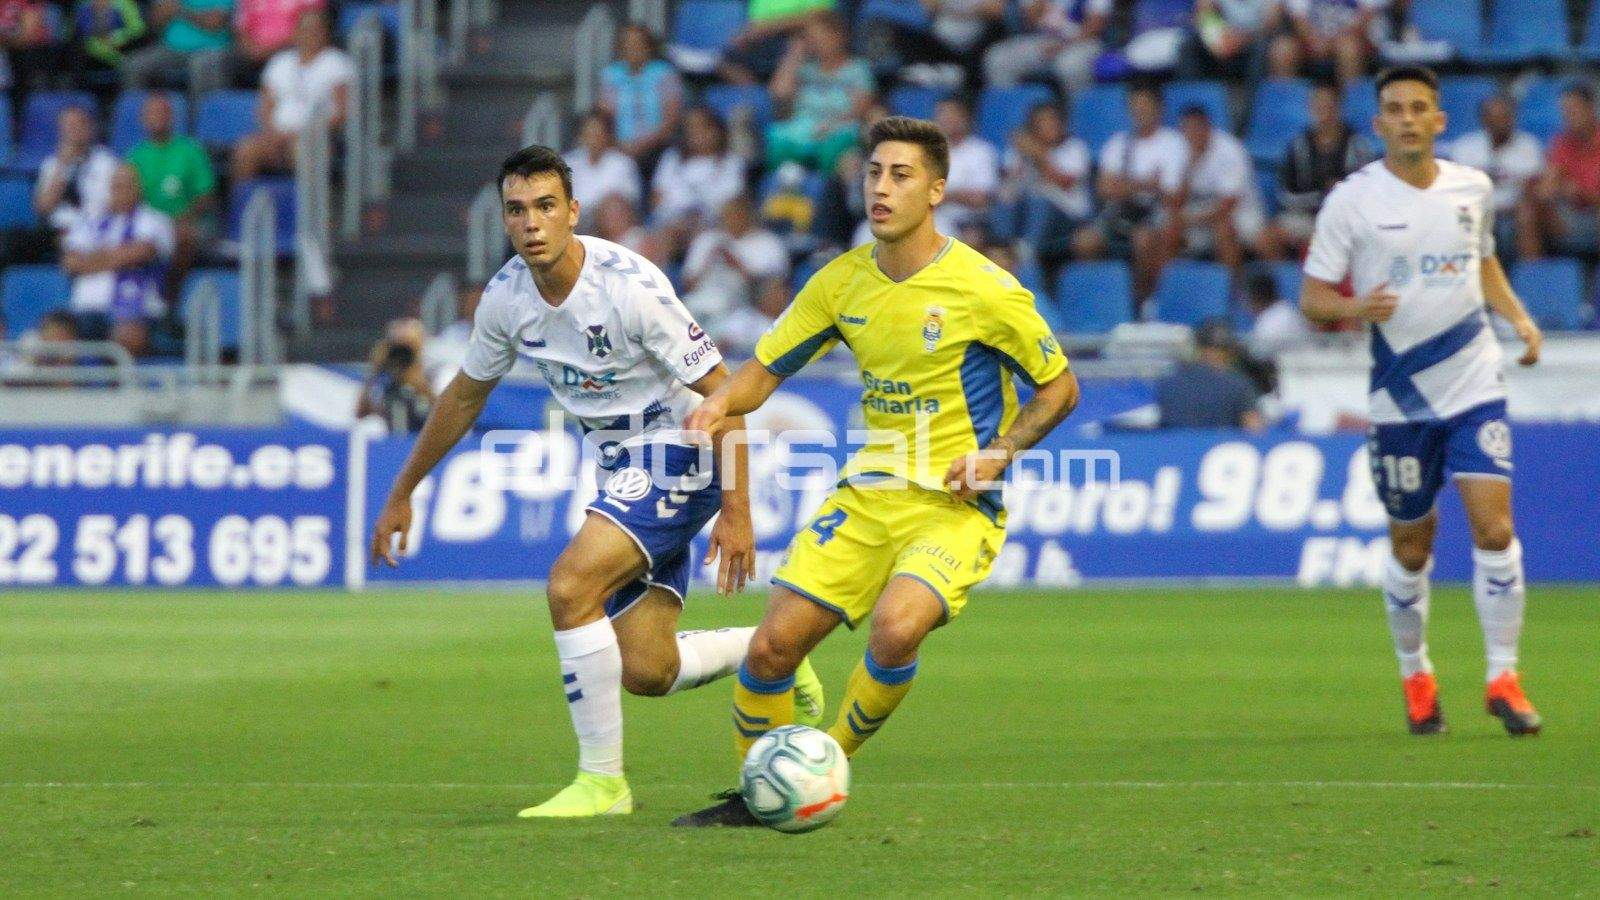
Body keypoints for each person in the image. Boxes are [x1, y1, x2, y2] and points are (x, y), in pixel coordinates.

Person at [369, 145, 824, 819]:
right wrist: (403, 489)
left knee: (569, 585)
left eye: (546, 207)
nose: (532, 223)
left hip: (683, 446)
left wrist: (738, 510)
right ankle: (776, 651)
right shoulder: (507, 300)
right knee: (647, 668)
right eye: (517, 210)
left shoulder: (628, 287)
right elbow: (463, 396)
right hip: (621, 467)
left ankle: (603, 783)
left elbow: (723, 394)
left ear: (573, 212)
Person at [671, 116, 1080, 827]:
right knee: (769, 651)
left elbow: (1061, 388)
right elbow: (762, 374)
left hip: (955, 505)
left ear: (937, 190)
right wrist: (716, 407)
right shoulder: (841, 282)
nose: (882, 189)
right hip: (868, 496)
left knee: (896, 627)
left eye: (901, 175)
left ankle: (823, 762)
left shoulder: (985, 289)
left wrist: (1000, 452)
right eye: (873, 174)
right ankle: (756, 790)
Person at [1300, 66, 1545, 737]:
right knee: (1412, 546)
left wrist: (1518, 319)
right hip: (1400, 398)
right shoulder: (1352, 201)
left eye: (1420, 108)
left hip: (1475, 382)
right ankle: (1417, 674)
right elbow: (1313, 297)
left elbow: (1483, 259)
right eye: (1394, 109)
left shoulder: (1474, 188)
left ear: (1439, 119)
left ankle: (1504, 675)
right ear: (1378, 123)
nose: (1408, 119)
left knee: (1495, 529)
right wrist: (1354, 307)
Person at [1073, 84, 1186, 300]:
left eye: (1146, 105)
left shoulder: (1173, 143)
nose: (1140, 110)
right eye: (1135, 105)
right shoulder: (1118, 143)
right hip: (1119, 213)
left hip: (1155, 215)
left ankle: (1141, 300)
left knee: (1143, 240)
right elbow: (1103, 188)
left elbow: (1171, 195)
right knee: (1084, 241)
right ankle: (1104, 298)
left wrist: (1124, 186)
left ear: (1159, 108)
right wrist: (1144, 185)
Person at [61, 164, 176, 358]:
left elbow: (142, 252)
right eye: (116, 185)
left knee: (126, 335)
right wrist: (118, 256)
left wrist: (91, 260)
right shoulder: (90, 221)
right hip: (85, 311)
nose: (120, 191)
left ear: (139, 189)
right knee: (56, 335)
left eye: (126, 185)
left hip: (137, 313)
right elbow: (70, 262)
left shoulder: (155, 220)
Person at [230, 8, 351, 184]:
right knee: (246, 150)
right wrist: (273, 133)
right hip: (278, 135)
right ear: (295, 32)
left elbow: (342, 113)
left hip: (317, 137)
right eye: (304, 29)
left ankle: (304, 209)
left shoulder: (337, 62)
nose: (309, 34)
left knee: (300, 150)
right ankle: (241, 206)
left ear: (326, 33)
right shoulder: (280, 62)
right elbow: (265, 106)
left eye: (316, 29)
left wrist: (305, 133)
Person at [1162, 104, 1271, 275]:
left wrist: (1191, 219)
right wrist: (1188, 169)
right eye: (1188, 130)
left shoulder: (1230, 149)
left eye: (1198, 128)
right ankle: (1164, 293)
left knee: (1223, 229)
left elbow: (1228, 206)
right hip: (1197, 216)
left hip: (1241, 214)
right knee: (1168, 230)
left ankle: (1233, 292)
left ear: (1208, 127)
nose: (1194, 134)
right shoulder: (1178, 151)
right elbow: (1172, 202)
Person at [1269, 80, 1376, 255]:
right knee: (1270, 235)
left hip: (1346, 216)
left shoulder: (1357, 146)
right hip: (1306, 216)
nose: (1323, 110)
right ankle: (1290, 280)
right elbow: (1285, 194)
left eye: (1329, 105)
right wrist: (1321, 196)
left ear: (1339, 108)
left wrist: (1341, 193)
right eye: (1318, 105)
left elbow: (1368, 191)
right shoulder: (1298, 146)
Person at [127, 92, 216, 293]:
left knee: (183, 235)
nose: (157, 118)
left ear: (172, 117)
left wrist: (183, 216)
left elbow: (206, 196)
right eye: (152, 114)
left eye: (163, 113)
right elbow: (129, 198)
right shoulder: (135, 156)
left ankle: (168, 295)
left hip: (186, 220)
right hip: (149, 222)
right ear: (143, 119)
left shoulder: (191, 150)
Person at [764, 12, 874, 172]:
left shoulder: (857, 69)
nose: (817, 43)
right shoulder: (804, 68)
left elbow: (860, 110)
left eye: (822, 37)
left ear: (839, 36)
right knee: (777, 138)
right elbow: (779, 94)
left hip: (838, 130)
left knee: (843, 154)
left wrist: (831, 125)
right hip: (802, 130)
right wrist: (794, 55)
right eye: (812, 39)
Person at [1445, 95, 1540, 257]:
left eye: (1504, 117)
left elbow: (1531, 191)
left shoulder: (1528, 146)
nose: (1500, 123)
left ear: (1512, 118)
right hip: (1473, 211)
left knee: (1526, 216)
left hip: (1512, 214)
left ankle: (1531, 277)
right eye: (1494, 118)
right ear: (1484, 120)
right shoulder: (1465, 147)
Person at [1515, 84, 1600, 261]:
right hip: (1571, 216)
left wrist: (1579, 192)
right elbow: (1547, 188)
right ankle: (1535, 281)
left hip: (1595, 215)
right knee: (1527, 209)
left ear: (1590, 108)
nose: (1569, 117)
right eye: (1565, 112)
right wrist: (1540, 188)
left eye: (1574, 110)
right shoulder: (1562, 142)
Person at [1002, 100, 1091, 265]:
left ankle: (1025, 253)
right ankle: (1001, 250)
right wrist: (1021, 159)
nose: (1049, 126)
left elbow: (1065, 182)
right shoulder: (1023, 151)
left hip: (1068, 216)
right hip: (1028, 214)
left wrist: (1037, 154)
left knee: (1039, 202)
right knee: (1003, 204)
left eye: (1052, 121)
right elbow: (1010, 190)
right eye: (1042, 122)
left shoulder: (1074, 148)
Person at [680, 195, 789, 328]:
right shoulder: (707, 239)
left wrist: (737, 264)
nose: (731, 220)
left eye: (737, 215)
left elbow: (773, 292)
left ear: (747, 216)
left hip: (742, 310)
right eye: (727, 215)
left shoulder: (768, 243)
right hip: (700, 302)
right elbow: (687, 286)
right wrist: (708, 260)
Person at [598, 23, 684, 174]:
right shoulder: (611, 74)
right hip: (619, 146)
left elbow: (671, 118)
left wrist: (643, 144)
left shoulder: (664, 73)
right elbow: (604, 117)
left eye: (639, 44)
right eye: (628, 44)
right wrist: (619, 145)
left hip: (657, 146)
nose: (633, 49)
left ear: (649, 46)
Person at [1154, 319, 1265, 430]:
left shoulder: (1167, 383)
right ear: (1231, 353)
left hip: (1174, 446)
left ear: (1197, 348)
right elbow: (1254, 430)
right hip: (1221, 445)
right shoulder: (1238, 386)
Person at [982, 0, 1111, 94]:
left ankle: (1079, 116)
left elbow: (1095, 26)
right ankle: (1014, 118)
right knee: (997, 59)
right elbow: (1030, 21)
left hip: (1084, 42)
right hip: (1046, 40)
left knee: (1069, 65)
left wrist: (1063, 45)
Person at [34, 106, 119, 236]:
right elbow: (44, 207)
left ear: (89, 129)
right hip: (57, 230)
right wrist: (62, 166)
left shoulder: (107, 162)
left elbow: (115, 205)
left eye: (77, 125)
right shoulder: (52, 164)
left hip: (95, 231)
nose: (72, 131)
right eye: (67, 126)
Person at [121, 0, 234, 95]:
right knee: (133, 65)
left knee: (200, 65)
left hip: (212, 49)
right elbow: (155, 22)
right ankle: (136, 118)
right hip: (170, 49)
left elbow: (214, 22)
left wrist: (180, 10)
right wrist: (161, 13)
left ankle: (202, 118)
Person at [1271, 0, 1387, 85]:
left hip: (1353, 39)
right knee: (1282, 49)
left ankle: (1350, 107)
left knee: (1348, 49)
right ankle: (1285, 108)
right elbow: (1299, 19)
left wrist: (1331, 42)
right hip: (1311, 40)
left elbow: (1365, 18)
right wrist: (1314, 40)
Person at [932, 96, 999, 234]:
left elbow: (982, 199)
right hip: (930, 214)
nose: (946, 120)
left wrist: (945, 197)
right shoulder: (928, 151)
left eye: (952, 114)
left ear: (965, 118)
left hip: (966, 220)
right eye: (942, 114)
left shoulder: (981, 151)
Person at [563, 110, 642, 225]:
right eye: (589, 134)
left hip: (609, 223)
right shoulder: (568, 162)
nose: (593, 139)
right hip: (576, 222)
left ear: (607, 135)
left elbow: (629, 203)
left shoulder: (622, 163)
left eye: (598, 133)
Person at [1242, 266, 1314, 359]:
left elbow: (1257, 358)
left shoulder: (1270, 322)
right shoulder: (1286, 309)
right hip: (1304, 365)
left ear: (1255, 297)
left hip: (1302, 369)